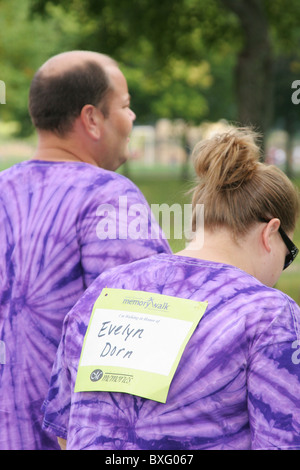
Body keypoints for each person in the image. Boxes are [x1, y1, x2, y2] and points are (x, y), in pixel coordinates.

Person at [42, 127, 300, 450]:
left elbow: (65, 430)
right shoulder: (269, 314)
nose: (281, 269)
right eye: (288, 254)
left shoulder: (103, 291)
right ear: (271, 232)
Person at [0, 50, 171, 450]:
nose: (131, 119)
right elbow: (146, 337)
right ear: (92, 118)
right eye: (126, 106)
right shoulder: (110, 197)